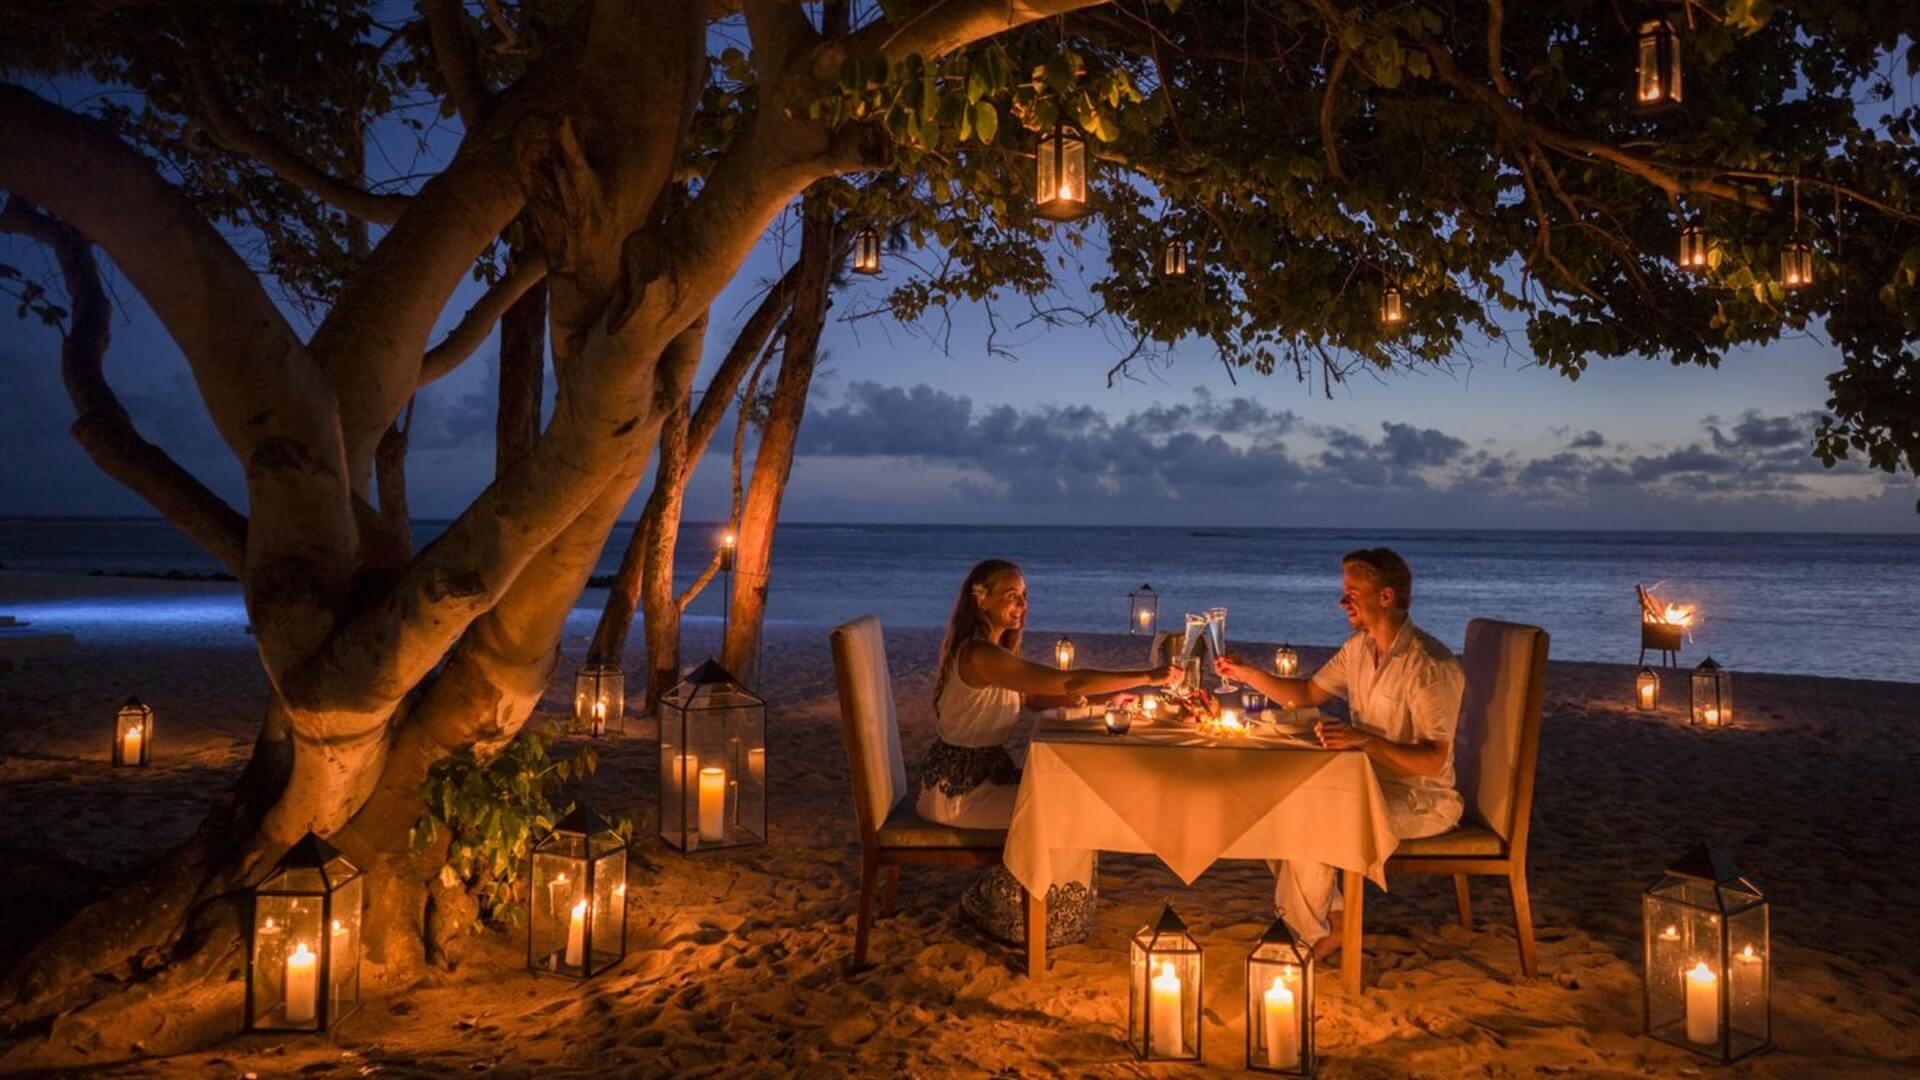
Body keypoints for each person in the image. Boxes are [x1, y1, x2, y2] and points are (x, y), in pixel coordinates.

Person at [1215, 547, 1464, 959]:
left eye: (1351, 592)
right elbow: (1306, 694)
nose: (1341, 600)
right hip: (1360, 782)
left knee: (1315, 819)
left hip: (1420, 798)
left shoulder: (1430, 665)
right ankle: (1332, 918)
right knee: (1274, 805)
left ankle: (1301, 940)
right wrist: (1248, 673)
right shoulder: (1359, 649)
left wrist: (1362, 741)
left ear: (1386, 596)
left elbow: (1433, 760)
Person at [917, 558, 1181, 947]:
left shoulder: (993, 653)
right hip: (957, 792)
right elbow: (1068, 680)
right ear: (982, 601)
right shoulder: (980, 655)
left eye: (1024, 596)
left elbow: (1040, 697)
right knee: (1065, 809)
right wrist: (1147, 676)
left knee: (1071, 797)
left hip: (979, 780)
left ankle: (1045, 910)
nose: (1022, 605)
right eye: (1011, 596)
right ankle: (1005, 910)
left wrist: (1105, 702)